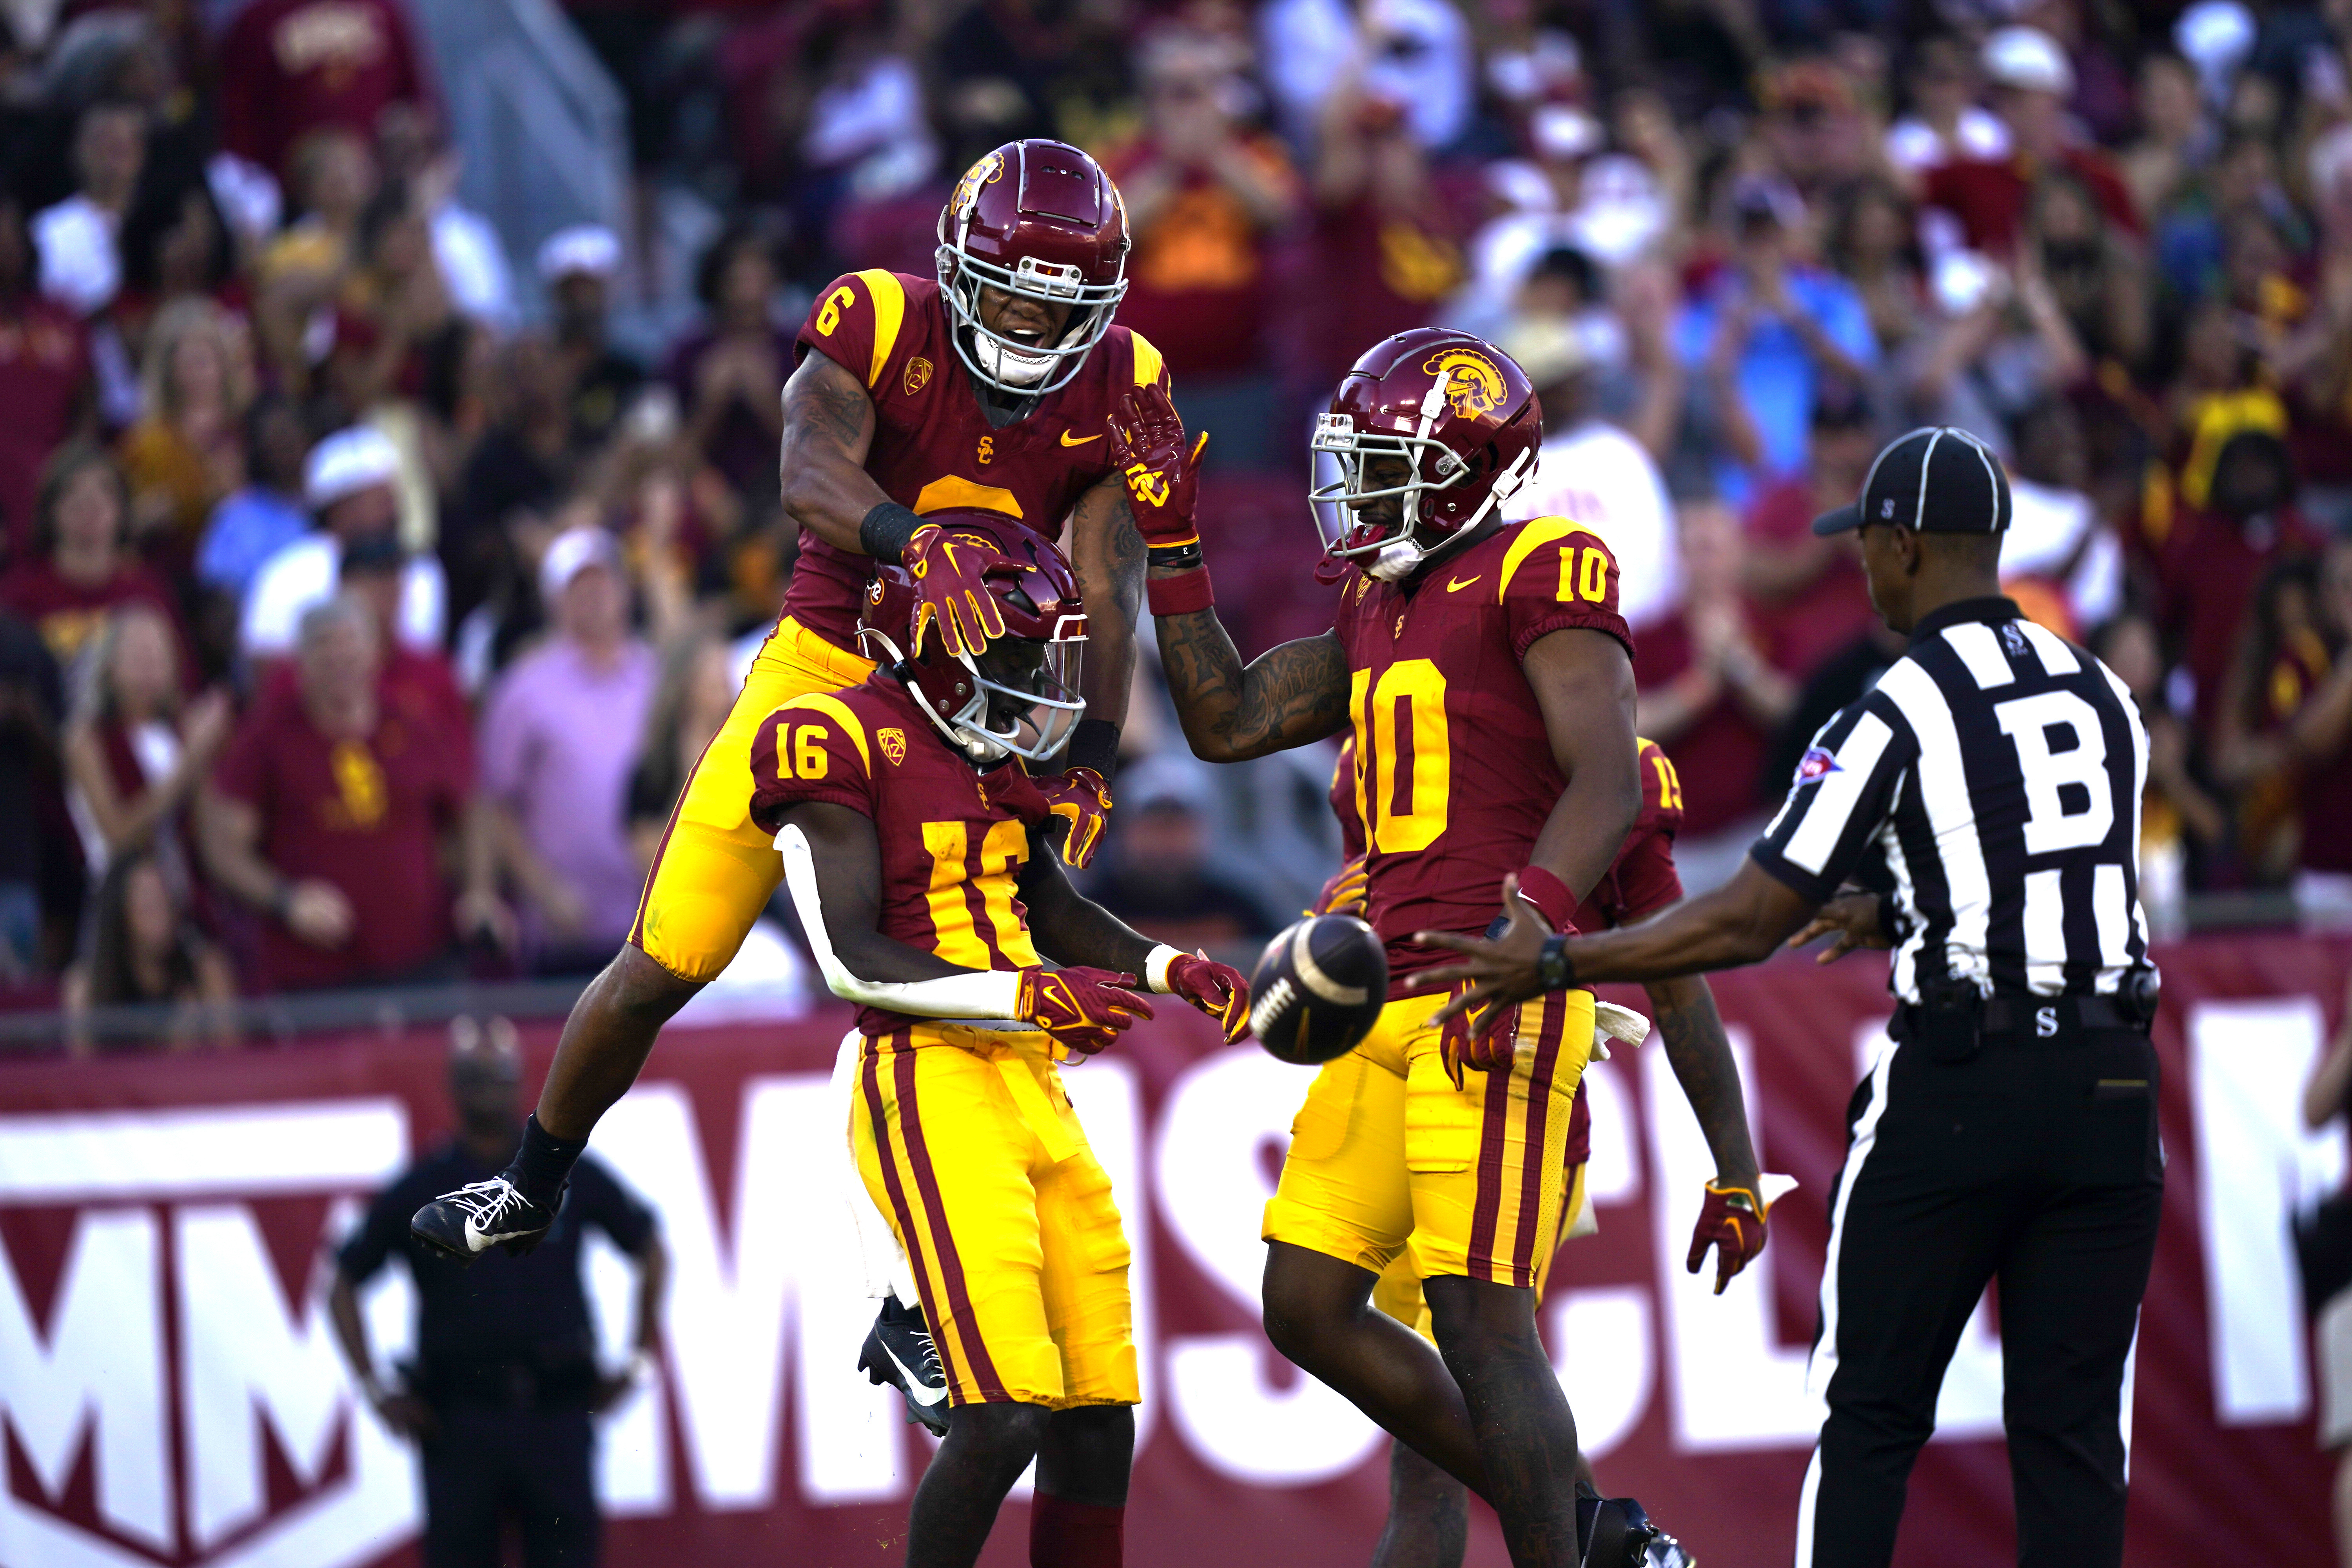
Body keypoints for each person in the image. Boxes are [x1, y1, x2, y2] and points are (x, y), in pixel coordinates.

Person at [410, 142, 1160, 1294]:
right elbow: (808, 468)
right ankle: (534, 1178)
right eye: (1010, 288)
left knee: (938, 989)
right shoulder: (877, 320)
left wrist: (1093, 761)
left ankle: (918, 1300)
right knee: (669, 958)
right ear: (959, 269)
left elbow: (1109, 590)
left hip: (969, 708)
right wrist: (913, 541)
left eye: (1059, 305)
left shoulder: (1121, 383)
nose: (1027, 322)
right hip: (825, 669)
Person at [1417, 426, 2162, 1568]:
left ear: (1904, 545)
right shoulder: (2101, 690)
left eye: (1864, 544)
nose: (1856, 568)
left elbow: (1749, 916)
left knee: (1868, 1412)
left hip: (1963, 1083)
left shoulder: (1896, 702)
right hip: (2112, 1084)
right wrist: (1902, 909)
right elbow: (2057, 883)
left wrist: (1560, 959)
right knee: (2068, 1430)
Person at [1129, 329, 1688, 1566]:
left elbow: (1606, 773)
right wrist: (1170, 542)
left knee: (1481, 1321)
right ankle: (1596, 1535)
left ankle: (1575, 1547)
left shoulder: (1544, 562)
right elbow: (1225, 721)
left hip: (1496, 981)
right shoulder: (1380, 599)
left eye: (1388, 466)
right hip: (1397, 994)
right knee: (1306, 1301)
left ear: (1471, 470)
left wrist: (1530, 922)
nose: (1358, 493)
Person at [1357, 729, 1766, 1568]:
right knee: (1412, 1387)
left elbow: (1675, 977)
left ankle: (1613, 1545)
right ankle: (1619, 1547)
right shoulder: (1389, 716)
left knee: (1443, 1432)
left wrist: (1738, 1167)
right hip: (1383, 1081)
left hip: (1506, 1096)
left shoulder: (1618, 772)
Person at [330, 1023, 664, 1568]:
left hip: (555, 1411)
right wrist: (374, 1387)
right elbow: (343, 1281)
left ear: (521, 1083)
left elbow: (650, 1248)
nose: (487, 1087)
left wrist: (639, 1360)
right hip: (461, 1422)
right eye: (474, 1076)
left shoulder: (559, 1176)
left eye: (497, 1075)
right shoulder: (424, 1186)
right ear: (452, 1086)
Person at [201, 595, 498, 991]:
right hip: (314, 977)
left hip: (424, 965)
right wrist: (286, 901)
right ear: (301, 662)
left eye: (351, 643)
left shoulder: (412, 725)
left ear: (374, 653)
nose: (340, 657)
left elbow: (471, 808)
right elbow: (224, 846)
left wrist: (479, 891)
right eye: (325, 645)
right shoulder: (269, 735)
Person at [477, 528, 656, 972]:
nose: (595, 595)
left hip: (656, 928)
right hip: (565, 932)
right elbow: (494, 803)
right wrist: (543, 889)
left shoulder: (658, 676)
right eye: (578, 586)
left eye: (604, 580)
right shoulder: (524, 687)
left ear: (625, 589)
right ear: (553, 601)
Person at [243, 424, 445, 661]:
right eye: (376, 498)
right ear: (337, 508)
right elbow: (267, 667)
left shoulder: (421, 568)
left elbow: (422, 659)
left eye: (391, 495)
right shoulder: (285, 575)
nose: (391, 508)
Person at [0, 443, 184, 670]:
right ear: (50, 510)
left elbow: (182, 682)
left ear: (122, 508)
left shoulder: (147, 594)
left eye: (104, 490)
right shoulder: (19, 596)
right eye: (72, 492)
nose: (89, 503)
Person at [62, 847, 236, 1052]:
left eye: (162, 899)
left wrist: (189, 1049)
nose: (159, 913)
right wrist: (171, 1048)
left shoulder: (206, 971)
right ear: (120, 913)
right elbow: (82, 1075)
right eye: (147, 902)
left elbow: (232, 1061)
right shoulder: (85, 987)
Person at [33, 100, 147, 319]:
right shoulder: (50, 228)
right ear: (79, 150)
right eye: (103, 140)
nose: (112, 151)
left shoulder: (157, 222)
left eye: (123, 144)